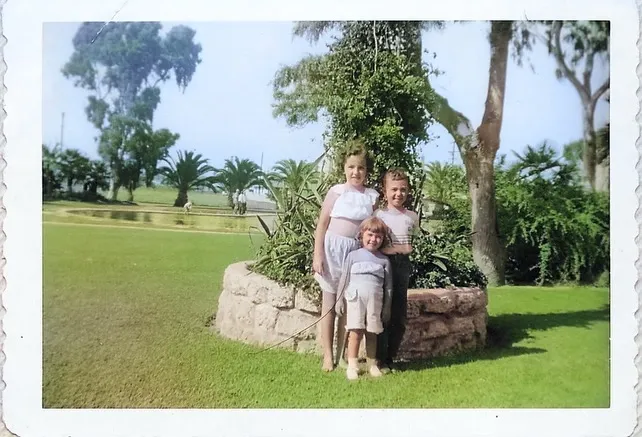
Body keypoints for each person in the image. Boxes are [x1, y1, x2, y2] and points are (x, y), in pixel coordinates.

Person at [312, 140, 379, 372]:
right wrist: (317, 254)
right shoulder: (336, 192)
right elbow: (321, 225)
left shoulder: (371, 196)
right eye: (351, 167)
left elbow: (373, 228)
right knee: (330, 304)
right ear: (344, 168)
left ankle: (342, 356)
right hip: (332, 251)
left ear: (366, 171)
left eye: (360, 168)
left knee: (348, 307)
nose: (356, 172)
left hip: (355, 254)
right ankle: (327, 356)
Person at [334, 217, 392, 380]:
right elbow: (344, 279)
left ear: (382, 239)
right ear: (362, 234)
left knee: (372, 332)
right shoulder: (353, 256)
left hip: (375, 302)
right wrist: (339, 300)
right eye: (370, 234)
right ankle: (352, 365)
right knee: (355, 331)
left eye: (378, 236)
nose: (373, 239)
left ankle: (372, 364)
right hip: (355, 300)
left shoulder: (383, 260)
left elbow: (388, 287)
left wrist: (387, 307)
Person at [374, 168, 419, 373]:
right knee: (384, 312)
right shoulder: (379, 215)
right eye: (393, 189)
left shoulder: (412, 216)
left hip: (403, 265)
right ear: (385, 191)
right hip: (384, 263)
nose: (398, 194)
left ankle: (391, 357)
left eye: (403, 190)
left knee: (399, 314)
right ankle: (378, 359)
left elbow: (412, 239)